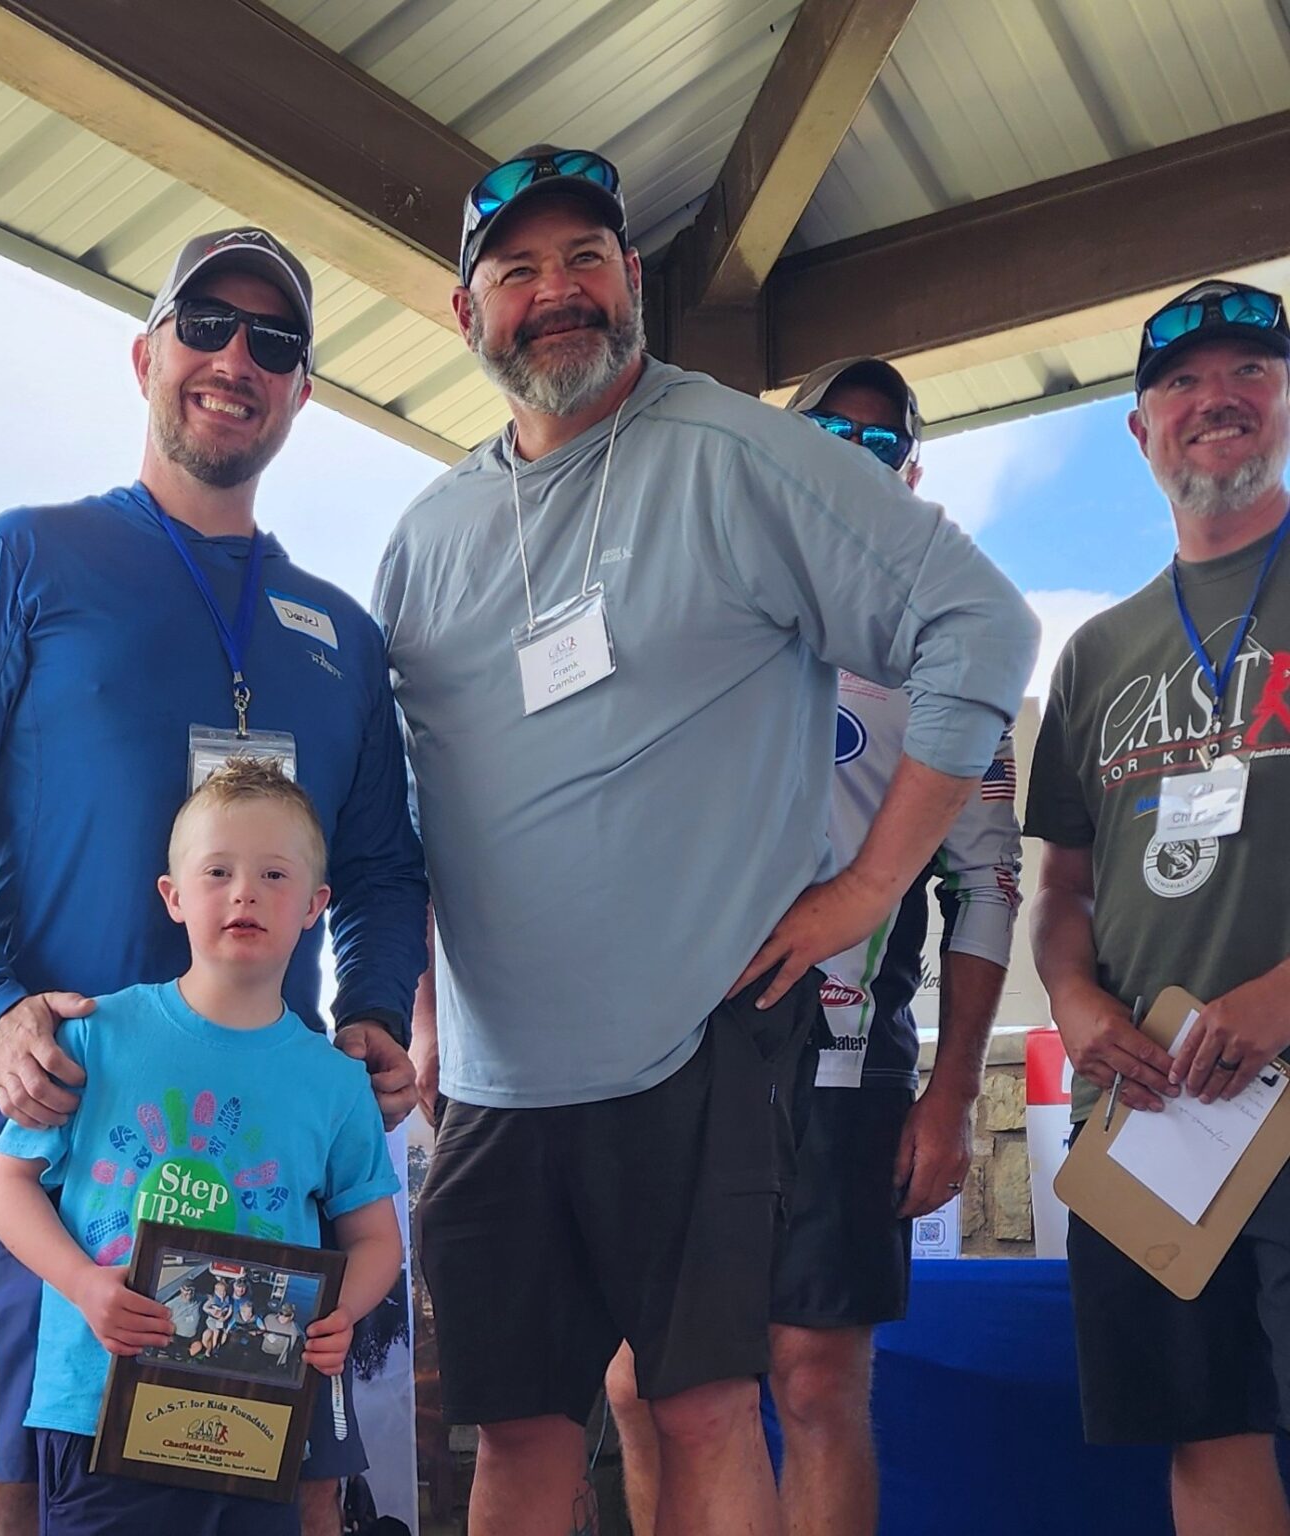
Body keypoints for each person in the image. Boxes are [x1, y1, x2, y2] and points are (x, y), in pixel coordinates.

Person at [378, 145, 1037, 1536]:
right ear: (465, 313)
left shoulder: (739, 451)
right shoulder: (427, 535)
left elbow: (980, 622)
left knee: (705, 1409)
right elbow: (422, 797)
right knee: (521, 1435)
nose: (554, 294)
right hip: (497, 1083)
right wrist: (429, 1000)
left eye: (585, 261)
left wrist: (869, 885)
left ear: (632, 281)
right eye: (516, 271)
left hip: (703, 1047)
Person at [0, 225, 427, 1536]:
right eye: (206, 325)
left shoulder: (342, 633)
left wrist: (376, 1014)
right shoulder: (28, 559)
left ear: (301, 392)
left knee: (287, 1490)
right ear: (146, 354)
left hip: (260, 1148)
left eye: (275, 342)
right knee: (21, 1483)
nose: (236, 357)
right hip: (53, 1124)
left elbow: (387, 865)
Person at [603, 355, 1025, 1536]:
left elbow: (984, 889)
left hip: (841, 1063)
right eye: (825, 434)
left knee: (815, 1378)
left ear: (911, 470)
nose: (850, 454)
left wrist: (945, 1102)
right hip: (672, 1061)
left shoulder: (944, 640)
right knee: (644, 1385)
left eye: (877, 443)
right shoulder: (709, 603)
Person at [1027, 278, 1290, 1536]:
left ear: (1282, 400)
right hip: (1154, 1119)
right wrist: (1074, 1006)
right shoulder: (1091, 654)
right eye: (1178, 384)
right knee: (1202, 1432)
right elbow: (1059, 892)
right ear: (1138, 431)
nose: (1213, 400)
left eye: (1245, 371)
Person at [0, 758, 404, 1536]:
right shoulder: (94, 1035)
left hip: (261, 1419)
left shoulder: (334, 1083)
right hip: (97, 1409)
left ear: (315, 906)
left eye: (274, 873)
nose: (245, 891)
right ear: (173, 898)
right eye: (218, 871)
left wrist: (343, 1310)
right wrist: (84, 1285)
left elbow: (376, 1237)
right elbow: (5, 1184)